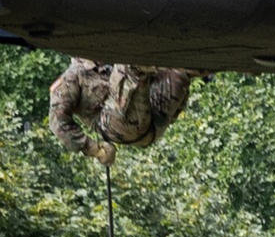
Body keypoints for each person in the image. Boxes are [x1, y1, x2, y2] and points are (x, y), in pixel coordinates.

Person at [50, 59, 199, 165]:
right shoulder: (72, 76)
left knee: (179, 66)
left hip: (151, 121)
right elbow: (58, 119)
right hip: (117, 126)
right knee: (130, 61)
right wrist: (94, 149)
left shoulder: (110, 60)